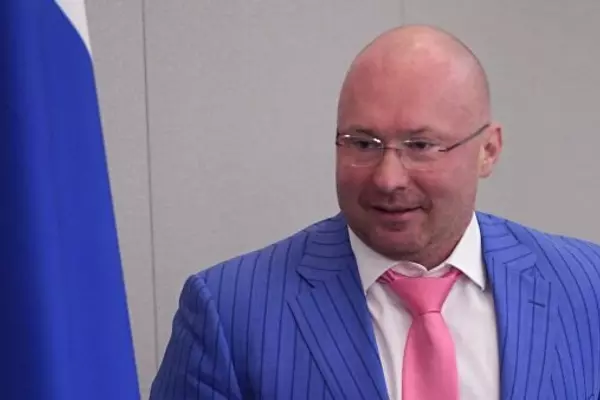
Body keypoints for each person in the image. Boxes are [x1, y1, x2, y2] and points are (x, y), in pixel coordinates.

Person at [149, 25, 600, 400]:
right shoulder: (230, 311)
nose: (388, 178)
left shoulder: (587, 287)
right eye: (363, 144)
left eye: (420, 145)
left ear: (488, 150)